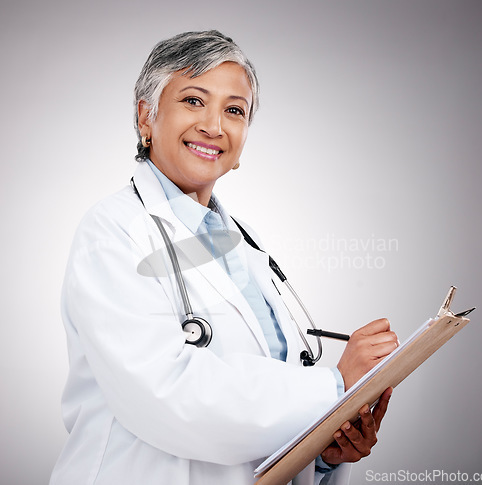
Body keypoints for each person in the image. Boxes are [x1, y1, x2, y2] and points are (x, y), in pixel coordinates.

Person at [50, 30, 398, 485]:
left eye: (234, 110)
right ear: (146, 118)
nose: (214, 126)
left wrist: (325, 447)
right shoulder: (112, 232)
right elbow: (166, 395)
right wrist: (334, 388)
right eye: (194, 101)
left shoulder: (243, 243)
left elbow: (266, 408)